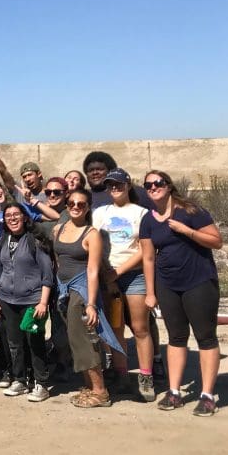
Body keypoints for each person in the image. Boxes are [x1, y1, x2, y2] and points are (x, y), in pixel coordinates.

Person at [139, 170, 224, 416]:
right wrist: (150, 292)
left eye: (158, 183)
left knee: (205, 336)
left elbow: (216, 241)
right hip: (168, 284)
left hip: (198, 282)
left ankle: (207, 395)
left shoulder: (190, 212)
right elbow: (147, 257)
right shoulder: (148, 220)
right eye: (148, 185)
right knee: (176, 337)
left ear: (169, 185)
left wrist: (188, 231)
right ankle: (174, 392)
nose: (153, 187)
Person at [92, 169, 155, 402]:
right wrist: (104, 270)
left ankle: (146, 378)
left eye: (118, 184)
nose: (114, 188)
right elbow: (93, 242)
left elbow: (144, 250)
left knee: (140, 328)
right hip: (108, 277)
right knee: (116, 328)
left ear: (128, 185)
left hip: (133, 275)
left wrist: (118, 271)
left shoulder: (141, 213)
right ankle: (121, 375)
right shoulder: (100, 213)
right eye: (110, 185)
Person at [54, 189, 119, 408]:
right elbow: (59, 260)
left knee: (85, 341)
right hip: (64, 291)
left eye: (81, 204)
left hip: (82, 292)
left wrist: (91, 304)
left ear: (88, 207)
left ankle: (100, 392)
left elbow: (92, 269)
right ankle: (89, 387)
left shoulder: (92, 234)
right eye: (71, 203)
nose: (75, 207)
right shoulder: (58, 229)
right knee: (76, 340)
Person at [0, 202, 55, 402]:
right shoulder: (1, 241)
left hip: (32, 302)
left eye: (17, 215)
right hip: (7, 300)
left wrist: (43, 302)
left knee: (34, 341)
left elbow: (47, 274)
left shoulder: (35, 241)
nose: (13, 218)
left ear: (25, 217)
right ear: (4, 220)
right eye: (8, 216)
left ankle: (41, 383)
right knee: (14, 343)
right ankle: (20, 380)